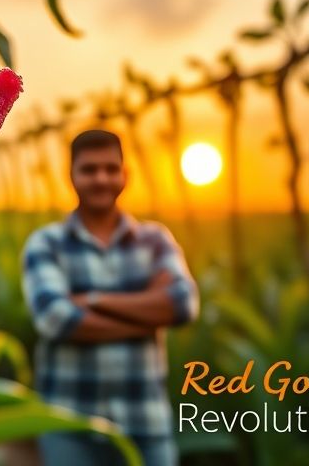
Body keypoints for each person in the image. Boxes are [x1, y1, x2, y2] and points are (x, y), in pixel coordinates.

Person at [21, 129, 199, 466]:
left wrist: (92, 301)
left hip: (145, 423)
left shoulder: (155, 240)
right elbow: (56, 320)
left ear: (124, 174)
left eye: (109, 168)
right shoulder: (46, 243)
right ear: (71, 175)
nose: (101, 179)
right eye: (89, 170)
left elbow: (182, 303)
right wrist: (147, 315)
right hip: (68, 426)